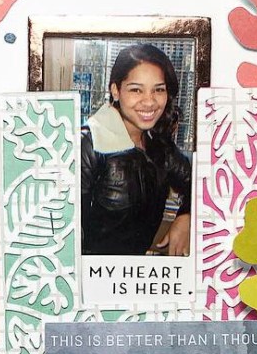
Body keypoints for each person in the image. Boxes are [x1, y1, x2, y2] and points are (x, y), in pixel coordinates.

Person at [79, 43, 192, 256]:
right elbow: (66, 233)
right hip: (94, 273)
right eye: (136, 90)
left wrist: (187, 216)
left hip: (137, 272)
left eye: (158, 89)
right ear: (116, 90)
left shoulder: (157, 142)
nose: (149, 102)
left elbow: (199, 181)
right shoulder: (88, 145)